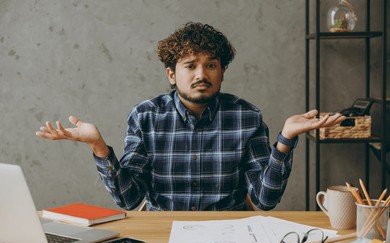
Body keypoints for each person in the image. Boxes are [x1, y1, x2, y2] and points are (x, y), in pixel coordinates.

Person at [36, 22, 345, 211]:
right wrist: (99, 148)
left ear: (222, 72)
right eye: (190, 65)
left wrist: (285, 141)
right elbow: (131, 201)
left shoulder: (247, 117)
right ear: (172, 74)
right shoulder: (146, 116)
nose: (201, 74)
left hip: (230, 234)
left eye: (211, 65)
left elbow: (263, 201)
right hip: (162, 232)